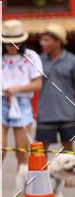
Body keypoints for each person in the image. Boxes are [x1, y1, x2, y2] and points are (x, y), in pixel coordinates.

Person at [0, 20, 43, 197]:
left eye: (15, 42)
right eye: (8, 43)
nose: (12, 47)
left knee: (22, 152)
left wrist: (16, 89)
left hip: (23, 103)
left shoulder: (32, 56)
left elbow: (37, 84)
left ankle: (23, 193)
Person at [36, 23, 75, 156]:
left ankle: (69, 177)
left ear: (58, 41)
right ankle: (42, 177)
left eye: (46, 40)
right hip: (45, 113)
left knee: (68, 150)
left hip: (68, 113)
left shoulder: (72, 61)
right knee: (41, 151)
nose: (42, 43)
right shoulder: (38, 61)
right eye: (42, 40)